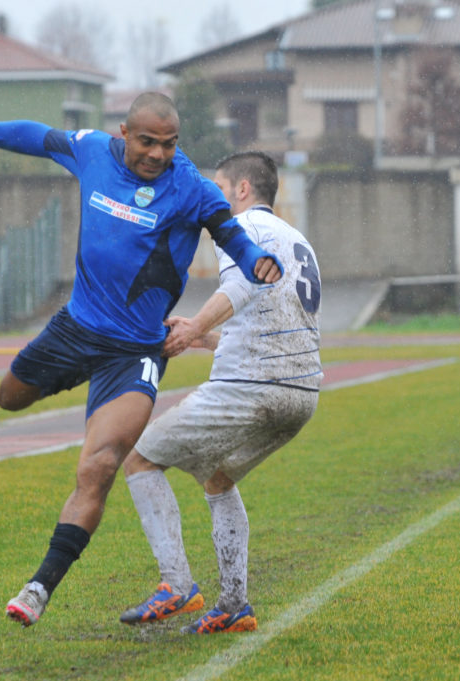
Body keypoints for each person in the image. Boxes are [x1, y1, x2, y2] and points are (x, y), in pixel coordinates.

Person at [0, 93, 283, 628]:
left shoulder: (191, 188)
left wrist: (257, 260)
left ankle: (37, 588)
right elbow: (34, 134)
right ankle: (74, 376)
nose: (158, 155)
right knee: (8, 398)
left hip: (134, 352)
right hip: (74, 330)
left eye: (169, 144)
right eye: (147, 142)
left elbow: (230, 235)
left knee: (99, 467)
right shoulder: (94, 152)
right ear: (124, 133)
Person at [117, 151, 321, 634]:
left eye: (218, 187)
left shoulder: (242, 230)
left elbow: (245, 289)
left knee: (139, 459)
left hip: (251, 388)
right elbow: (274, 322)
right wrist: (203, 334)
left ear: (243, 189)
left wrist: (192, 331)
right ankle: (235, 606)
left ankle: (177, 584)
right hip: (301, 394)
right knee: (218, 479)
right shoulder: (297, 240)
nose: (213, 196)